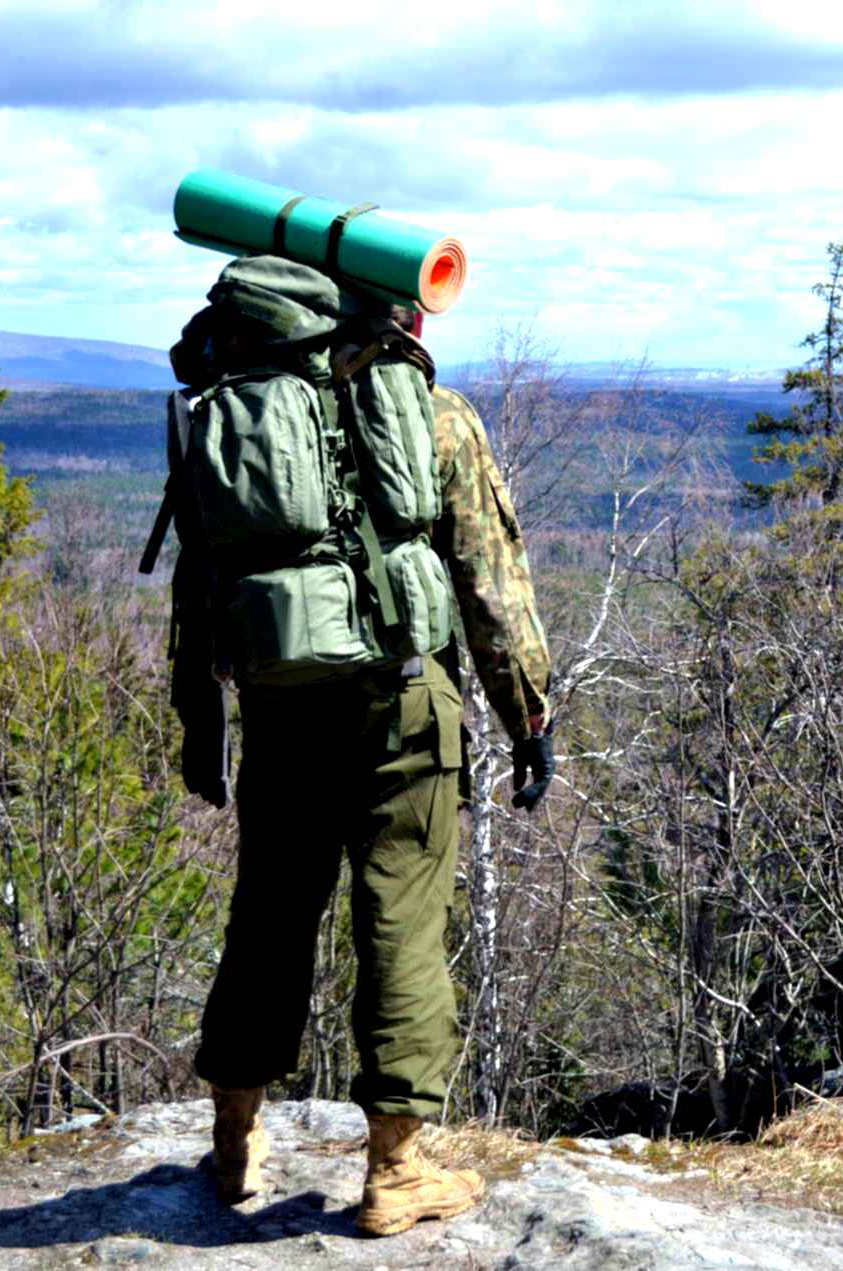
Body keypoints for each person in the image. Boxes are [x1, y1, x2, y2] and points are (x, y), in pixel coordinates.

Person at [184, 303, 555, 1236]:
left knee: (269, 907)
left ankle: (235, 1142)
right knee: (402, 916)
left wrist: (203, 721)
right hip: (405, 704)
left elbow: (203, 577)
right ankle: (395, 1169)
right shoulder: (434, 414)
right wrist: (528, 715)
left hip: (280, 703)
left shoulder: (236, 410)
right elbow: (487, 578)